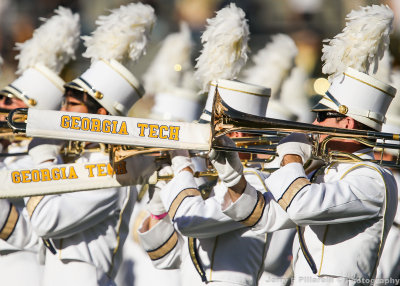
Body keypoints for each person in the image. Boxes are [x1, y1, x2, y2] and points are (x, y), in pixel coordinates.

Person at [213, 4, 399, 285]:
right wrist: (232, 174)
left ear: (347, 123)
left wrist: (291, 157)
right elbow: (264, 217)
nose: (315, 123)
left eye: (324, 117)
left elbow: (301, 205)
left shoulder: (373, 179)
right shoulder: (324, 172)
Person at [24, 3, 157, 285]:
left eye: (72, 105)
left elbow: (45, 220)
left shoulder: (112, 173)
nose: (62, 114)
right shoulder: (80, 160)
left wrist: (44, 159)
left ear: (101, 116)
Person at [0, 7, 80, 286]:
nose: (2, 105)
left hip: (22, 270)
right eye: (3, 98)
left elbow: (36, 233)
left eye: (12, 102)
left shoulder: (45, 160)